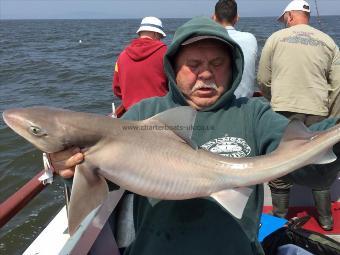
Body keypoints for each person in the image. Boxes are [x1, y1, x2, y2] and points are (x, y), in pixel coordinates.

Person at [50, 17, 340, 254]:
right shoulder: (145, 113)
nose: (206, 75)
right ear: (174, 68)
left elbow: (314, 172)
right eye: (194, 65)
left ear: (233, 69)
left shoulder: (252, 113)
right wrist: (70, 169)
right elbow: (106, 181)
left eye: (217, 64)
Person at [257, 0, 340, 230]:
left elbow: (263, 78)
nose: (284, 21)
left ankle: (280, 218)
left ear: (290, 16)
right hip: (318, 110)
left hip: (283, 109)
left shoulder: (275, 39)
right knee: (319, 163)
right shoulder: (328, 42)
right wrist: (332, 118)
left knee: (280, 164)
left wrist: (274, 98)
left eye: (284, 18)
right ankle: (325, 219)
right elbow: (337, 85)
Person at [112, 16, 168, 110]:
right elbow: (176, 85)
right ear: (155, 34)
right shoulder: (165, 53)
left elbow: (117, 89)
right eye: (160, 36)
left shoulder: (122, 56)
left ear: (140, 33)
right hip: (159, 113)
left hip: (131, 113)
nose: (160, 39)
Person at [212, 0, 258, 98]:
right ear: (237, 18)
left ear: (214, 17)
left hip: (217, 104)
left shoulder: (210, 38)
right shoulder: (250, 38)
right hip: (245, 103)